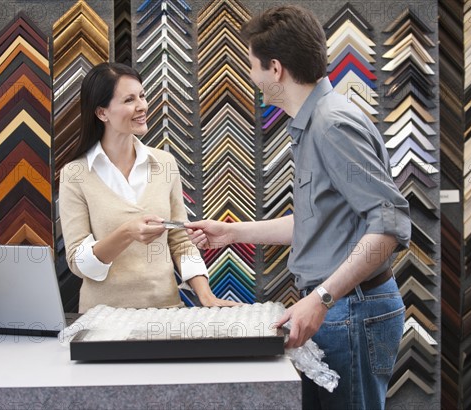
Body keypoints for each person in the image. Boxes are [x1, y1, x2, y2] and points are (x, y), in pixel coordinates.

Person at [186, 5, 411, 409]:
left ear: (276, 69)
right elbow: (319, 222)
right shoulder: (314, 123)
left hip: (351, 310)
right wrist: (233, 232)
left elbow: (390, 225)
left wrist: (322, 296)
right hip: (342, 308)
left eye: (252, 66)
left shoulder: (331, 124)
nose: (251, 77)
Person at [59, 62, 236, 313]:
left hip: (165, 312)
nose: (142, 106)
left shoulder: (164, 164)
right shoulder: (75, 174)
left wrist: (205, 295)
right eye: (129, 100)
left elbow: (180, 240)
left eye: (142, 96)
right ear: (102, 113)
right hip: (102, 318)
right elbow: (80, 263)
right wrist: (127, 233)